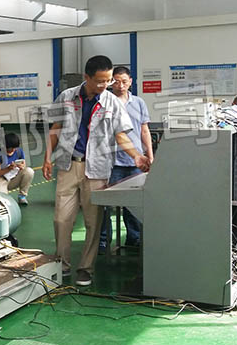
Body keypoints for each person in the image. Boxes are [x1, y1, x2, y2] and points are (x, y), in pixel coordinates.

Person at [42, 56, 150, 287]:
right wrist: (47, 158)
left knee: (94, 222)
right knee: (62, 219)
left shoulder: (112, 102)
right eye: (100, 81)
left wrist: (137, 156)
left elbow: (121, 135)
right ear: (87, 77)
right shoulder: (67, 97)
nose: (105, 85)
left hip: (97, 169)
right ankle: (62, 264)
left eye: (108, 80)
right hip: (68, 166)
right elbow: (55, 129)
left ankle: (86, 268)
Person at [100, 67, 153, 251]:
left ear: (130, 81)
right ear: (110, 82)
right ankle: (103, 240)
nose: (120, 85)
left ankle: (134, 238)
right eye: (116, 81)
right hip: (111, 161)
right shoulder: (105, 102)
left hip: (135, 162)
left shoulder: (139, 103)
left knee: (134, 203)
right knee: (105, 205)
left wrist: (149, 155)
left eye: (124, 81)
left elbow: (144, 130)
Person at [0, 133, 34, 205]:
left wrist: (21, 167)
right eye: (11, 148)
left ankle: (22, 196)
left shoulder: (19, 151)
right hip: (1, 179)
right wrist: (8, 168)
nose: (13, 150)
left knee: (29, 171)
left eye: (15, 148)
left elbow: (24, 165)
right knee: (2, 201)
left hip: (13, 178)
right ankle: (3, 193)